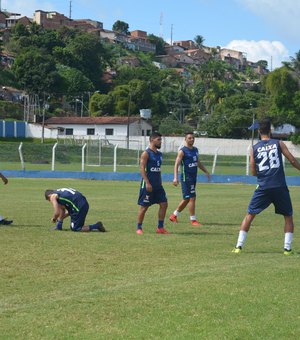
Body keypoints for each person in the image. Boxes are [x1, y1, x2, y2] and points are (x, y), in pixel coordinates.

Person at [232, 118, 300, 255]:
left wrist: (261, 175)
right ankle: (287, 249)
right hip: (279, 186)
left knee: (250, 215)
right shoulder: (279, 143)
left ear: (258, 131)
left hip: (263, 186)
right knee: (288, 216)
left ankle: (238, 247)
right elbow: (292, 160)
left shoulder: (254, 148)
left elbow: (252, 170)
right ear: (270, 130)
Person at [169, 131, 210, 226]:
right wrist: (175, 177)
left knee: (187, 199)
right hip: (186, 177)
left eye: (193, 138)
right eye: (190, 138)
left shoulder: (195, 150)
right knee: (192, 198)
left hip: (193, 177)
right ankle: (193, 220)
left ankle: (174, 216)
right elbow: (176, 164)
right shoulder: (182, 151)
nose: (192, 139)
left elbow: (198, 162)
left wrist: (206, 171)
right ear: (185, 139)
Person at [136, 131, 169, 235]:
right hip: (148, 185)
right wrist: (147, 183)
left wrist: (160, 181)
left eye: (161, 140)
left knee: (164, 204)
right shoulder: (146, 153)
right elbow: (141, 168)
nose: (160, 142)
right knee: (144, 207)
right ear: (152, 140)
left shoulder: (159, 154)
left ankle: (160, 227)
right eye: (158, 140)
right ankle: (139, 228)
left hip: (158, 185)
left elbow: (158, 169)